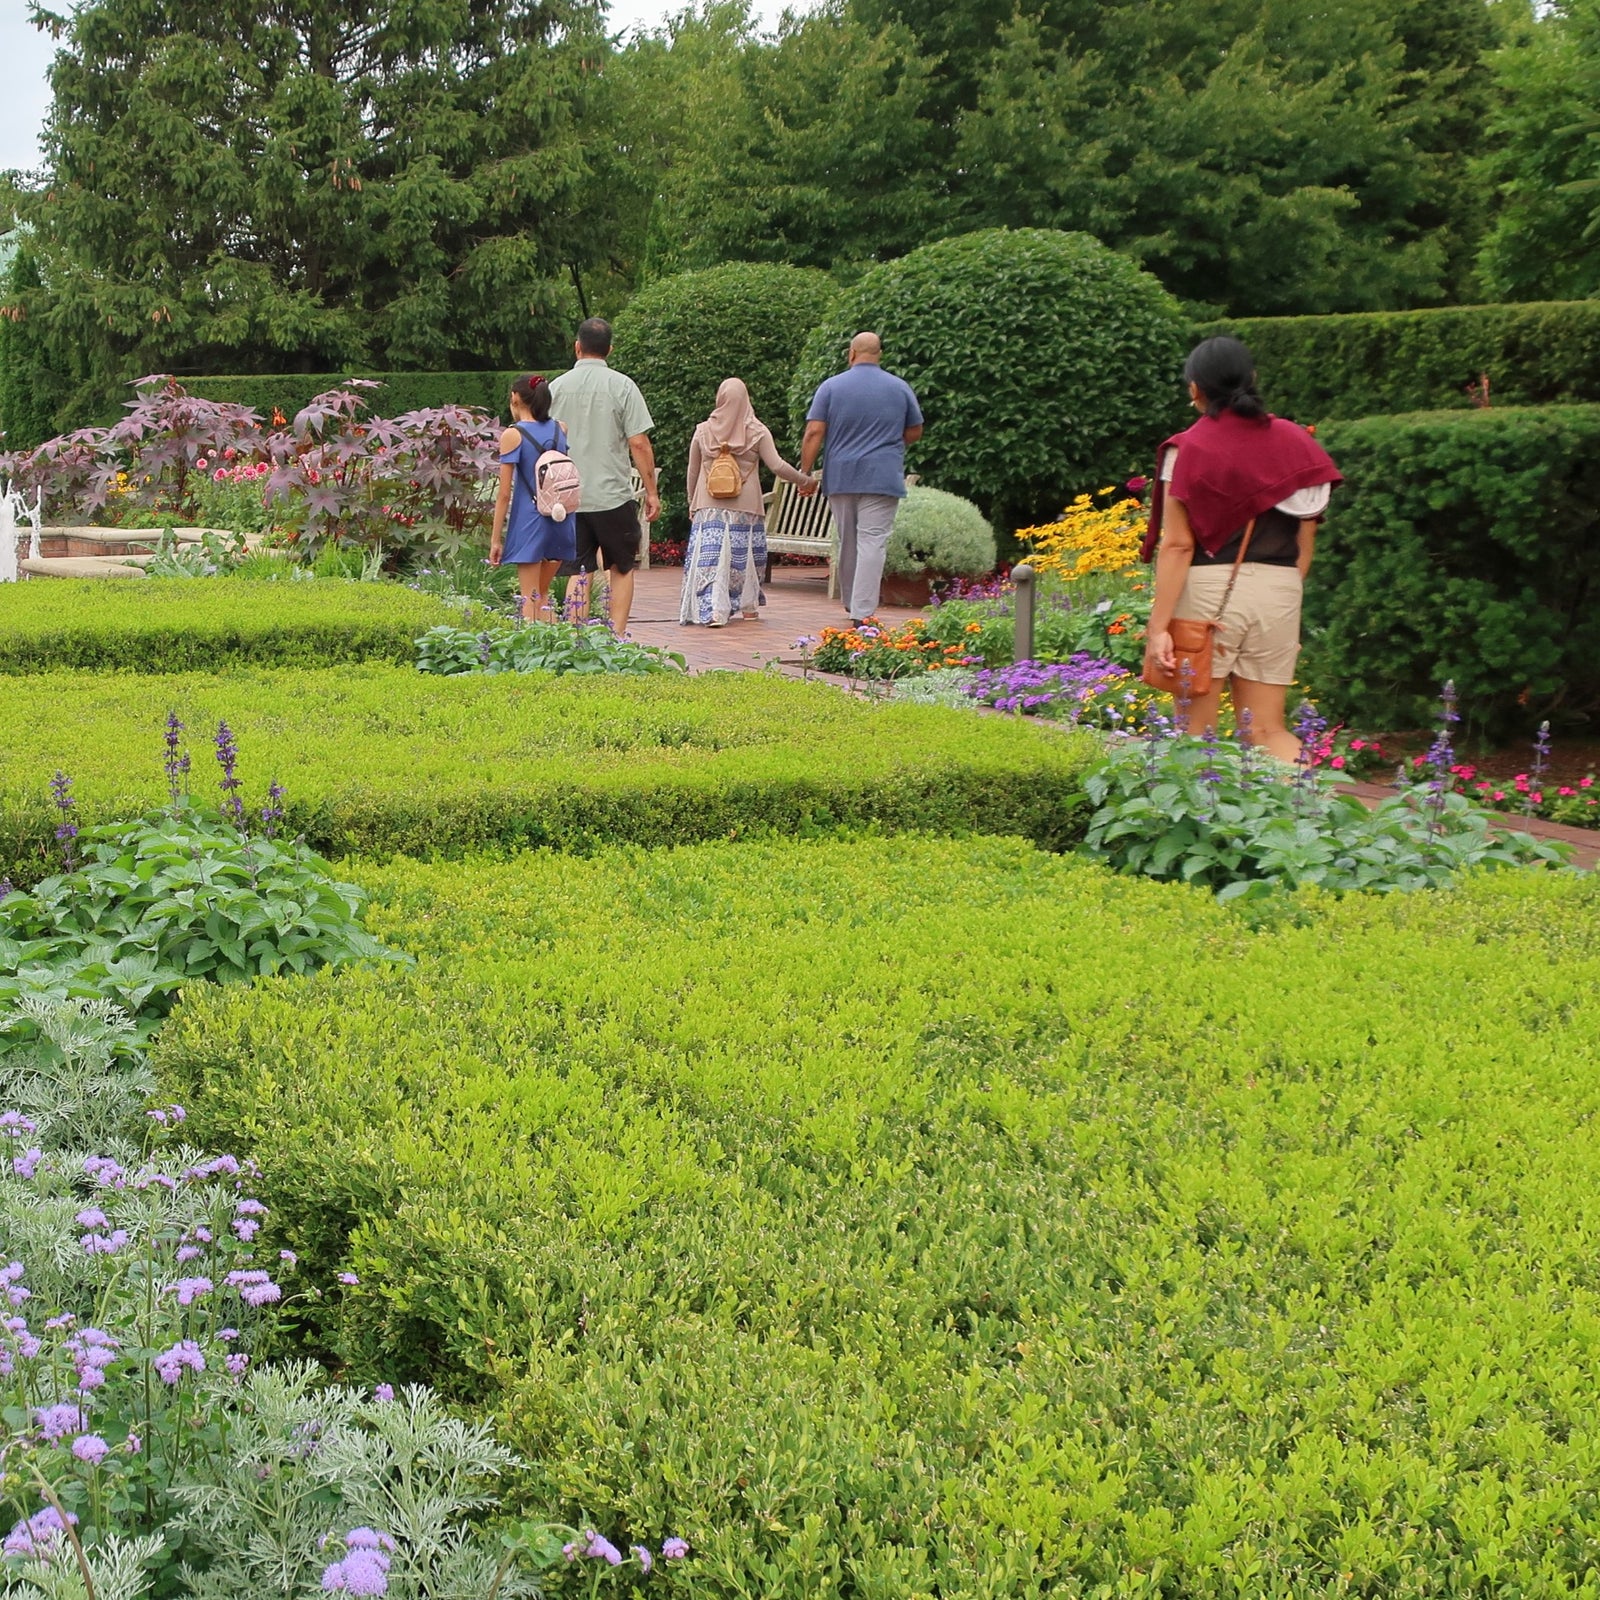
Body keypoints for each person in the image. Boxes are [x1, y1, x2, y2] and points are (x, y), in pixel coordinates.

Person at [1141, 335, 1342, 762]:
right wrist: (1281, 591)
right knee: (1269, 731)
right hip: (1281, 588)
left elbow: (1177, 545)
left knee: (1196, 733)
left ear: (1195, 389)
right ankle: (1308, 815)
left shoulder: (1189, 448)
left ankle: (1205, 826)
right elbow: (1307, 533)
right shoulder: (1294, 440)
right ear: (1252, 379)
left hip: (1209, 595)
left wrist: (1158, 628)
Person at [800, 332, 923, 623]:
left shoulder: (831, 387)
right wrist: (890, 444)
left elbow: (814, 431)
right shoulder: (899, 387)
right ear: (879, 354)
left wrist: (805, 473)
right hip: (882, 475)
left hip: (841, 475)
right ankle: (862, 611)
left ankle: (850, 600)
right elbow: (915, 431)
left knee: (848, 539)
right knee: (872, 541)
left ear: (851, 353)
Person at [548, 317, 660, 634]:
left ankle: (575, 638)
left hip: (569, 497)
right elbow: (639, 442)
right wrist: (651, 491)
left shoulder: (556, 389)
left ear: (577, 347)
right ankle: (617, 636)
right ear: (610, 349)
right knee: (621, 567)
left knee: (578, 571)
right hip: (613, 496)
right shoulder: (623, 386)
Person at [681, 378, 816, 627]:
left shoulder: (703, 430)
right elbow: (776, 465)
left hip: (708, 506)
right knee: (746, 560)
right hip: (746, 507)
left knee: (712, 560)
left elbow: (693, 470)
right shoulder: (757, 431)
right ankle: (749, 607)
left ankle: (714, 610)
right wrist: (804, 480)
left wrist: (692, 501)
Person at [489, 375, 576, 622]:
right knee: (544, 593)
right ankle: (556, 653)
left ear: (516, 398)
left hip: (530, 521)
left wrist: (496, 540)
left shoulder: (513, 435)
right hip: (562, 518)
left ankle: (533, 654)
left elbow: (504, 494)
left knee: (529, 596)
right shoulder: (561, 428)